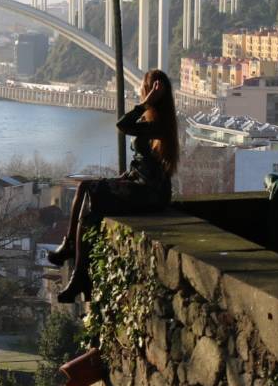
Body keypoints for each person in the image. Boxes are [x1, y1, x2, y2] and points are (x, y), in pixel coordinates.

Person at [48, 68, 180, 302]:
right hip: (142, 185)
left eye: (145, 89)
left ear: (151, 93)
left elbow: (122, 125)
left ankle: (79, 273)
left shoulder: (159, 125)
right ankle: (71, 250)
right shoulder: (155, 123)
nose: (141, 92)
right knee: (85, 187)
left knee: (92, 200)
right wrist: (123, 177)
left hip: (150, 194)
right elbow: (143, 164)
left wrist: (145, 104)